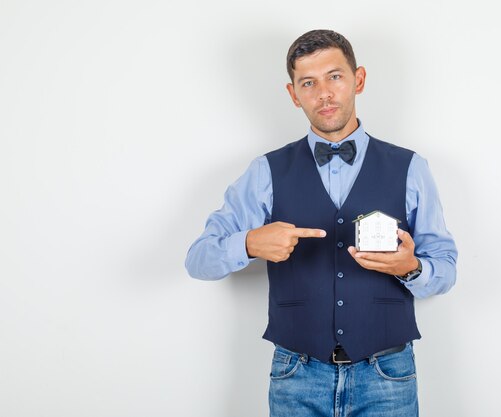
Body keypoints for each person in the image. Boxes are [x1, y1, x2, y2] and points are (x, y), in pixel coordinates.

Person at [185, 29, 457, 417]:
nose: (324, 93)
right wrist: (247, 243)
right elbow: (198, 259)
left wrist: (411, 268)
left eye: (335, 76)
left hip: (388, 373)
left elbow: (445, 266)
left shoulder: (411, 168)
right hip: (296, 373)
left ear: (358, 79)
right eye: (308, 83)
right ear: (293, 94)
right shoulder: (265, 171)